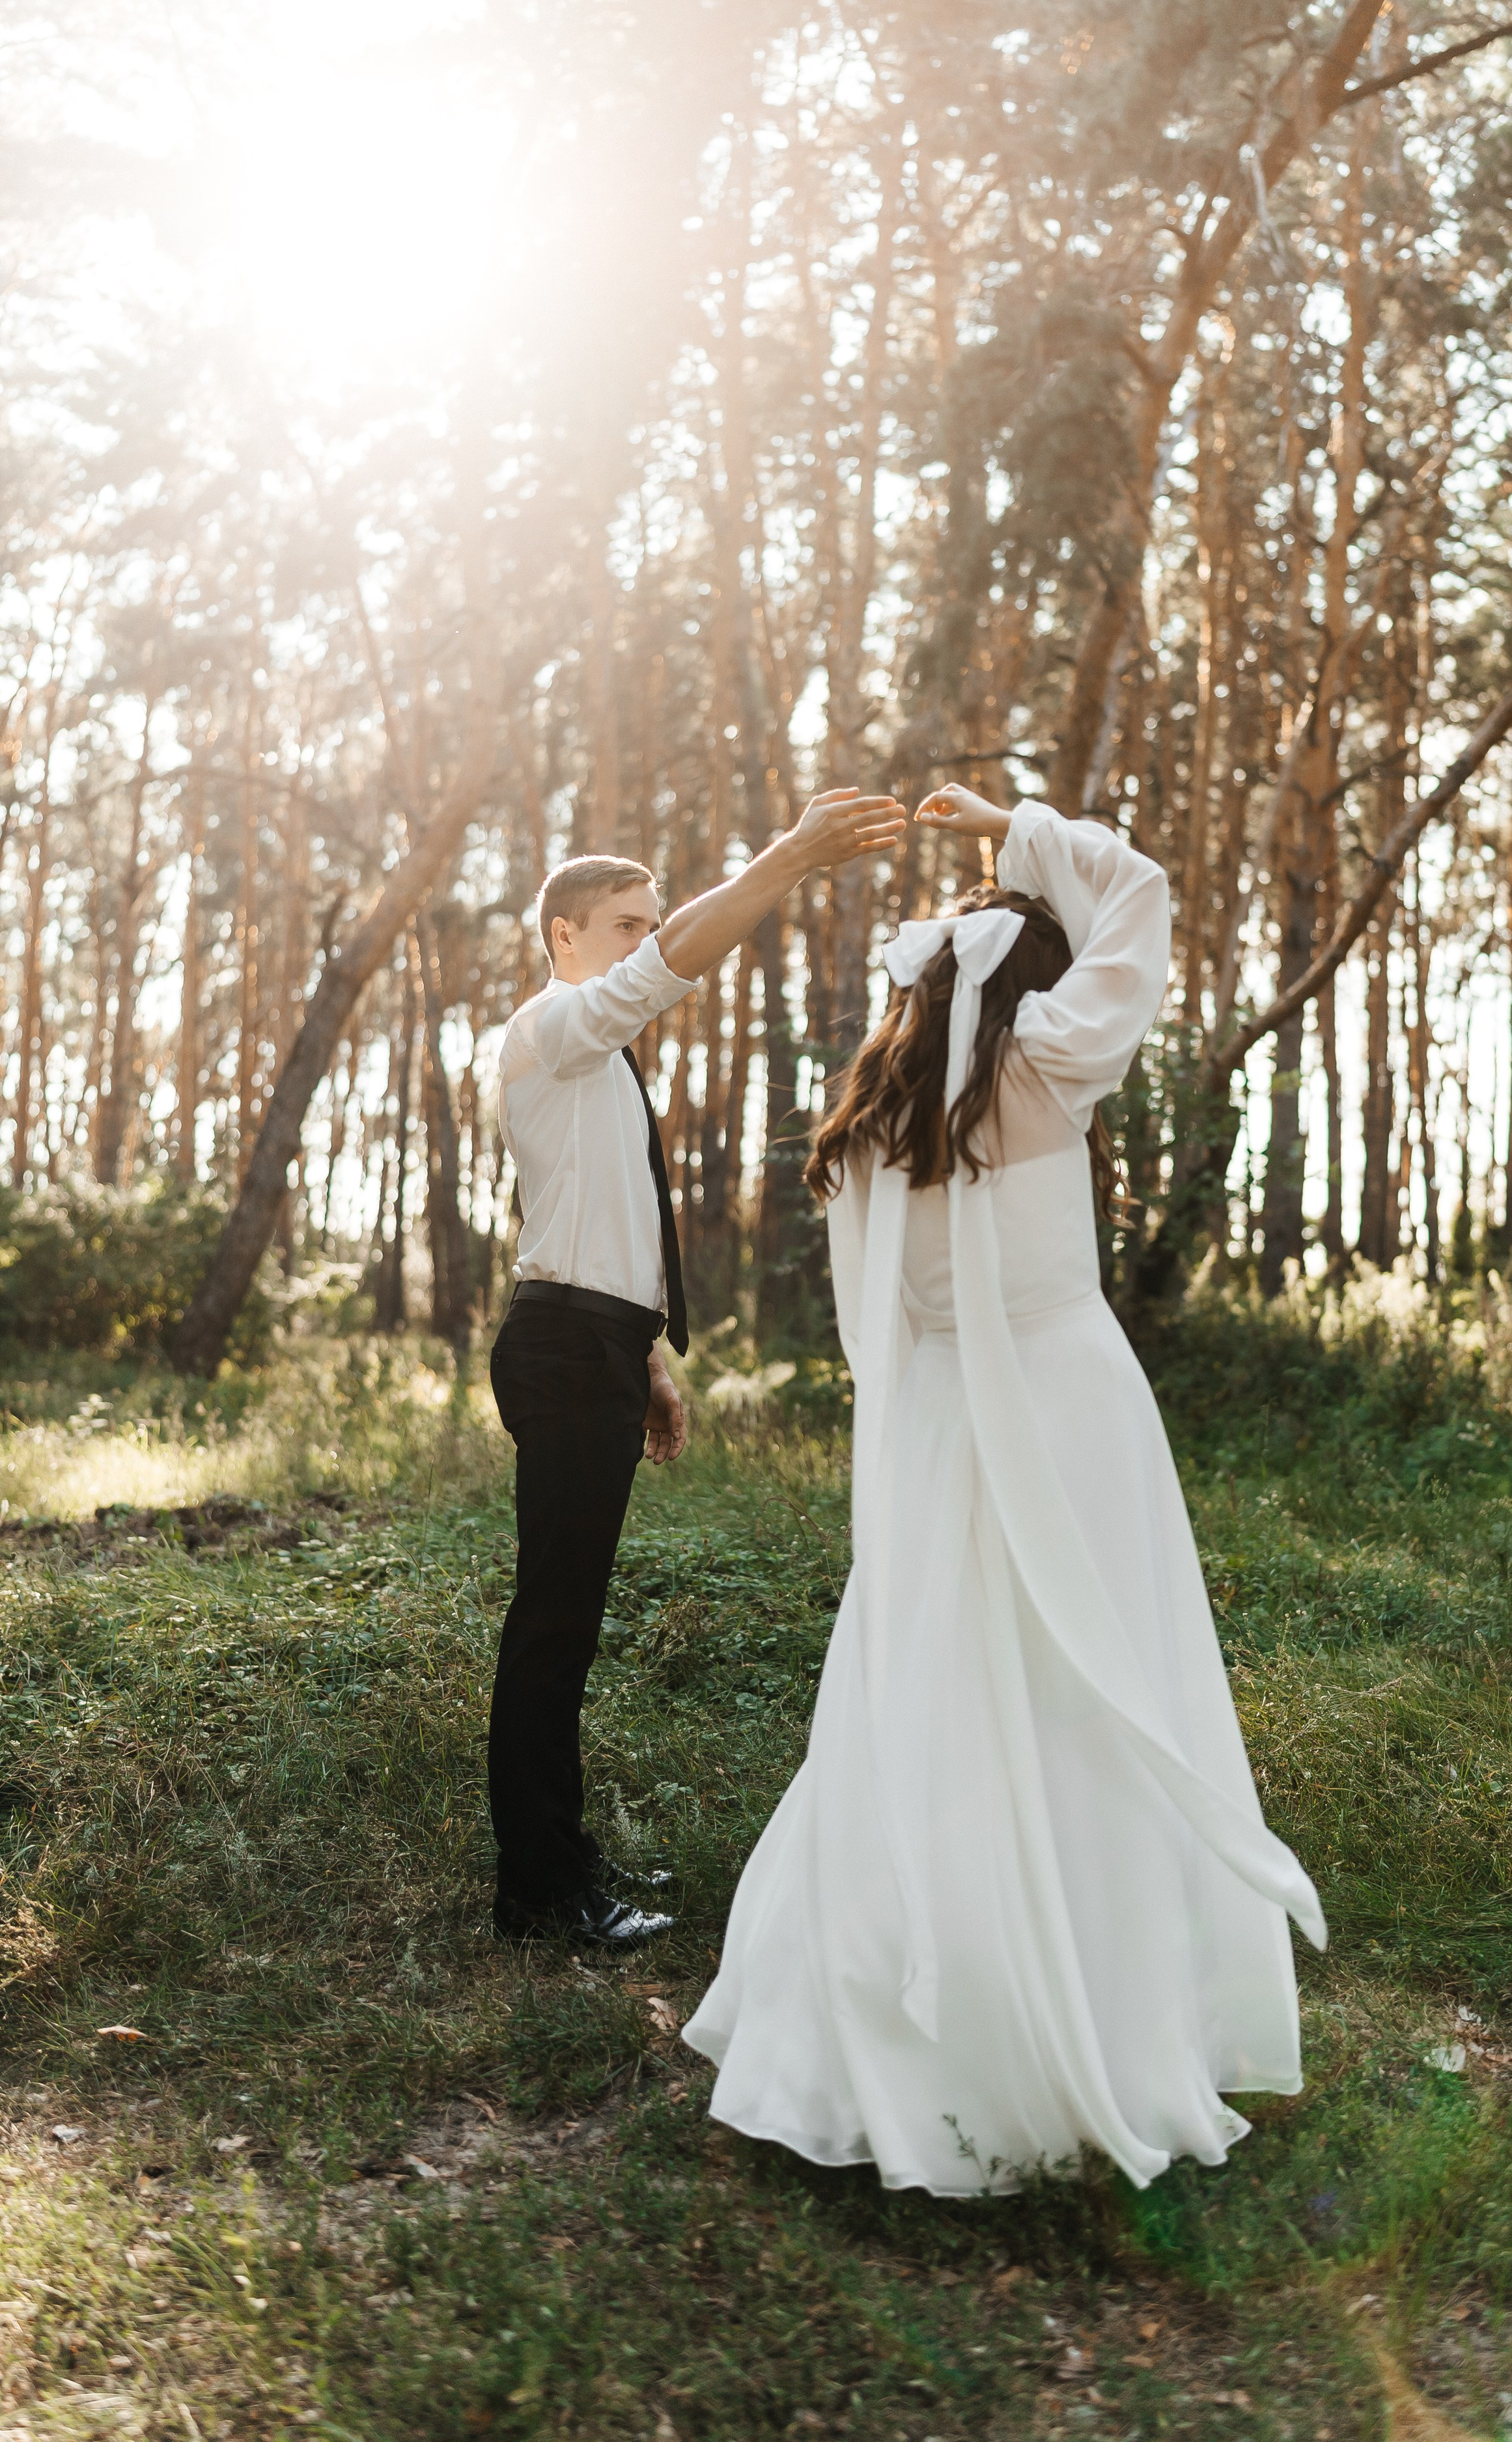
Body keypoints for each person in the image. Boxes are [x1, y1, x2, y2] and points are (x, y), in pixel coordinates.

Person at [683, 783, 1326, 2193]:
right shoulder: (1045, 1065)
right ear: (1030, 986)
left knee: (931, 1694)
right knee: (1092, 1691)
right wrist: (1013, 822)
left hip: (938, 1429)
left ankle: (902, 2018)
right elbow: (1141, 892)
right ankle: (1105, 2010)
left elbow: (887, 1334)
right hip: (1071, 1410)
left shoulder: (866, 1123)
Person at [489, 785, 905, 1950]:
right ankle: (538, 1892)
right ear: (565, 937)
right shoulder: (551, 1028)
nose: (647, 939)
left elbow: (604, 1220)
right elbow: (660, 974)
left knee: (568, 1619)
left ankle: (556, 1859)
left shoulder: (601, 1064)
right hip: (565, 1345)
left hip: (601, 1342)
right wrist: (789, 858)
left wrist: (654, 1352)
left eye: (649, 918)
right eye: (628, 923)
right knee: (554, 1624)